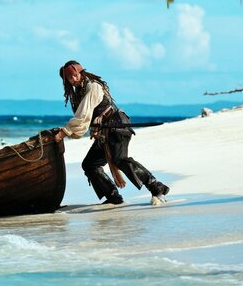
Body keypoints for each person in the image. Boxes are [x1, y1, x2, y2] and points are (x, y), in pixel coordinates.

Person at [54, 60, 170, 205]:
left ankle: (157, 188)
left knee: (119, 159)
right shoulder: (79, 93)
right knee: (90, 164)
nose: (74, 80)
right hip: (104, 133)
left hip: (117, 126)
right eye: (70, 78)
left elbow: (82, 116)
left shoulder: (93, 86)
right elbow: (85, 117)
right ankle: (113, 197)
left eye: (75, 75)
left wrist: (65, 132)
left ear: (81, 72)